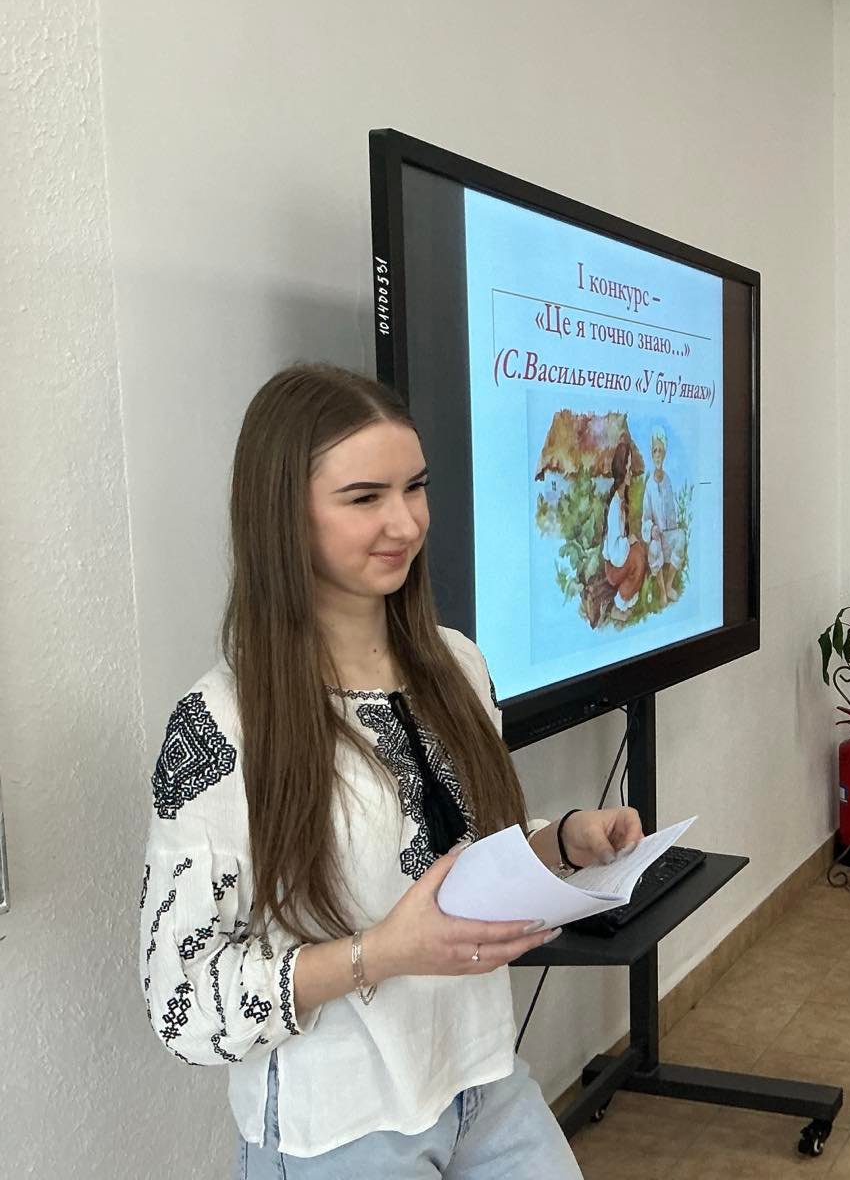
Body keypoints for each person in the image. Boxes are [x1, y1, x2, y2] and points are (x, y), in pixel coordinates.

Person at [138, 363, 643, 1175]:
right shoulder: (222, 725)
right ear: (282, 513)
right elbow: (184, 1003)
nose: (405, 522)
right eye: (364, 497)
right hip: (339, 1127)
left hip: (484, 1079)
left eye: (415, 488)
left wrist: (559, 844)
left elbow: (455, 860)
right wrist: (377, 954)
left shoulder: (458, 665)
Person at [601, 436, 648, 614]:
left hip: (618, 560)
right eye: (628, 469)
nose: (631, 473)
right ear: (622, 471)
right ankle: (619, 603)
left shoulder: (621, 500)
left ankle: (627, 596)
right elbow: (615, 554)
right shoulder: (615, 506)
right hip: (613, 568)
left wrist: (631, 542)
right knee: (637, 557)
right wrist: (629, 541)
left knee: (639, 551)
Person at [641, 427, 686, 603]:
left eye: (660, 450)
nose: (658, 454)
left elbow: (672, 512)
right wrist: (652, 528)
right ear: (652, 454)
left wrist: (674, 527)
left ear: (665, 453)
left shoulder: (668, 481)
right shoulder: (649, 486)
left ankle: (668, 584)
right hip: (657, 538)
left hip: (668, 536)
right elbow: (645, 518)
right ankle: (661, 591)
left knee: (681, 536)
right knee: (653, 548)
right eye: (655, 451)